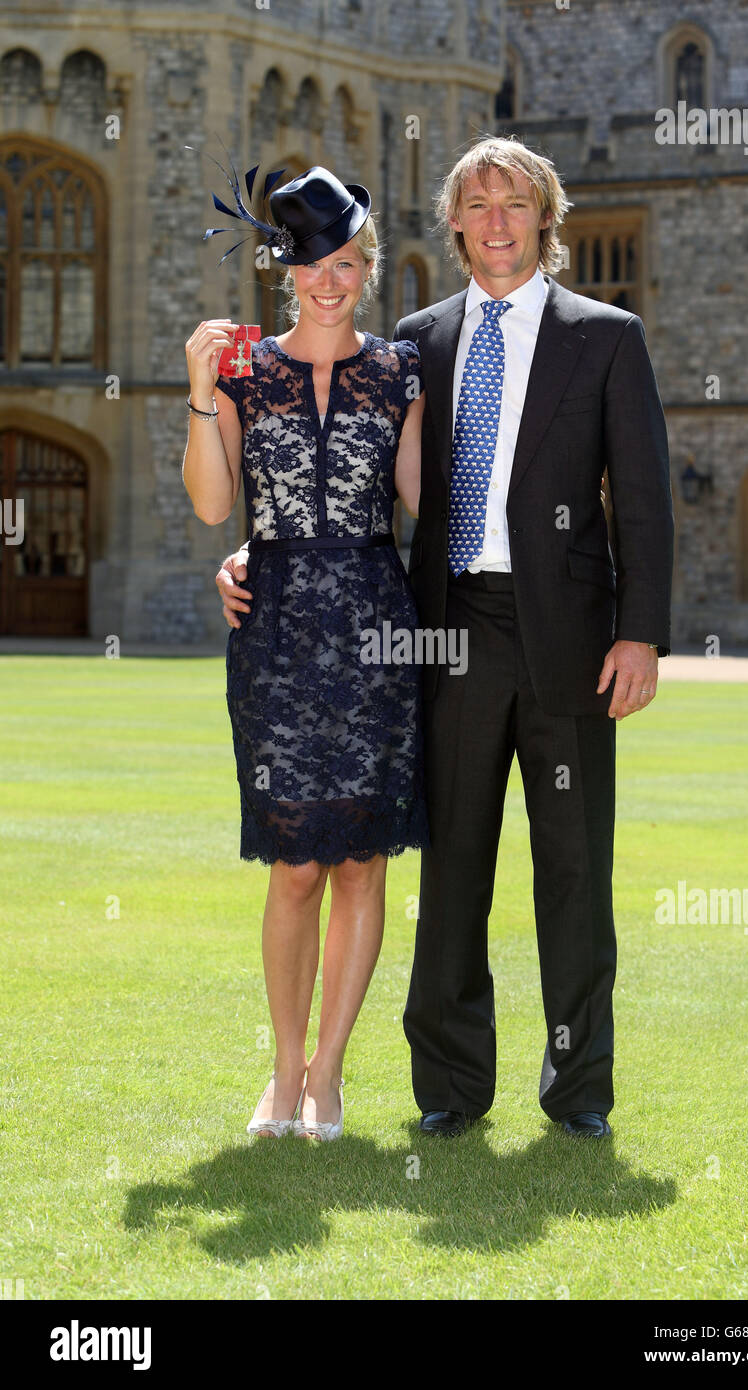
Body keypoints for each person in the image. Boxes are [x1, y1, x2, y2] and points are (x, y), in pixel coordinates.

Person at [217, 135, 674, 1142]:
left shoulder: (605, 337)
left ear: (544, 219)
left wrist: (641, 634)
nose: (498, 221)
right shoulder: (414, 343)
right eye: (479, 204)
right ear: (456, 224)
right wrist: (247, 554)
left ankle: (577, 1090)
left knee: (572, 867)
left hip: (567, 637)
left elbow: (641, 499)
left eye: (516, 203)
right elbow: (336, 469)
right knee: (452, 865)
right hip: (442, 632)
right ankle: (453, 1089)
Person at [183, 164, 427, 1143]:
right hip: (276, 634)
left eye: (349, 260)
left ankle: (328, 1076)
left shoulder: (402, 371)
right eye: (314, 262)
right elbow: (211, 505)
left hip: (376, 629)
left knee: (362, 862)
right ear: (286, 269)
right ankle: (281, 1074)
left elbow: (421, 501)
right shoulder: (242, 371)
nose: (331, 278)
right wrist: (201, 393)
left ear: (366, 267)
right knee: (293, 866)